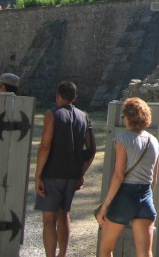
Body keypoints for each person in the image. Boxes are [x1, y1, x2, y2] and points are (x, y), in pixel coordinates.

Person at [34, 81, 96, 257]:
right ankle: (63, 254)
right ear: (74, 99)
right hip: (72, 175)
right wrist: (81, 173)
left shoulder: (51, 114)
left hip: (52, 174)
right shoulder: (84, 117)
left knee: (48, 219)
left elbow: (45, 146)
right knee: (64, 213)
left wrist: (38, 175)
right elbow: (91, 150)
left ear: (57, 96)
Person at [97, 97, 159, 257]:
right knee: (145, 252)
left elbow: (118, 175)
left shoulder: (122, 139)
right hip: (146, 197)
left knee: (105, 249)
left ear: (127, 117)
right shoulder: (154, 142)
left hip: (124, 197)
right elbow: (154, 179)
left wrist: (105, 206)